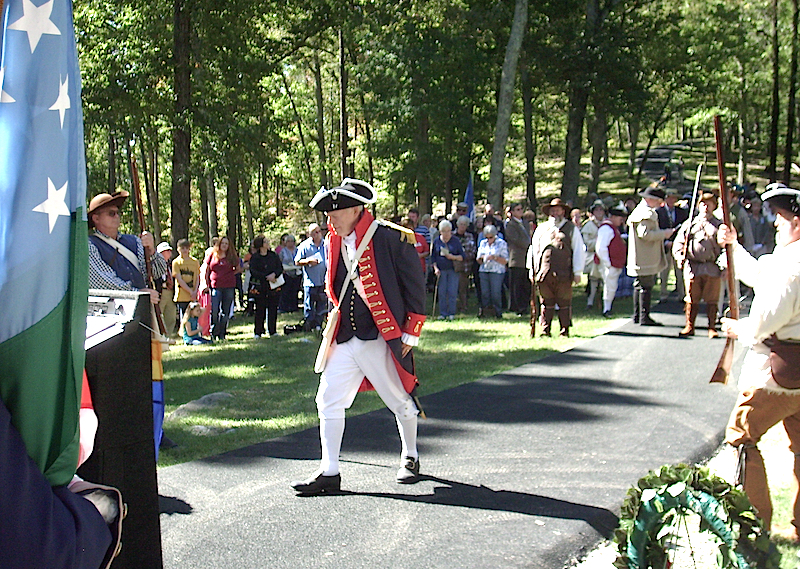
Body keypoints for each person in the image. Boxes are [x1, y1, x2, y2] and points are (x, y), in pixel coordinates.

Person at [291, 178, 426, 495]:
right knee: (327, 400)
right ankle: (329, 470)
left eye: (334, 214)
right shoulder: (332, 240)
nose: (329, 221)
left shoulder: (392, 238)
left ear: (355, 210)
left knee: (399, 401)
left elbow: (414, 286)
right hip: (346, 335)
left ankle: (410, 456)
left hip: (381, 335)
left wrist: (412, 332)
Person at [719, 184, 800, 541]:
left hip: (777, 371)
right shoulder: (787, 261)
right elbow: (763, 279)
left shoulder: (792, 264)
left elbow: (767, 317)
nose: (776, 225)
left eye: (781, 219)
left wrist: (740, 328)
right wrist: (733, 246)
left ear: (796, 222)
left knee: (741, 438)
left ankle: (754, 529)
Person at [87, 191, 172, 456]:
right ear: (96, 218)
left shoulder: (133, 242)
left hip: (143, 320)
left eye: (119, 212)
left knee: (148, 375)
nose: (117, 217)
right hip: (111, 324)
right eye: (111, 213)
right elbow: (100, 281)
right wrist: (139, 295)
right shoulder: (89, 246)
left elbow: (158, 272)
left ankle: (154, 428)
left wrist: (151, 248)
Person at [528, 197, 586, 337]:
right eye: (552, 211)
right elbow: (534, 249)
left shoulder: (571, 229)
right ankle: (545, 330)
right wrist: (531, 269)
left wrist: (577, 271)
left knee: (564, 302)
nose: (555, 213)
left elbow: (579, 250)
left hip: (564, 273)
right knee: (546, 302)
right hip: (544, 273)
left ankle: (564, 330)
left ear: (563, 211)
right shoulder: (542, 228)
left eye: (558, 210)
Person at [672, 191, 724, 338]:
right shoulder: (690, 224)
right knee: (691, 298)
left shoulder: (719, 225)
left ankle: (712, 327)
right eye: (703, 203)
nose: (706, 206)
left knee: (712, 299)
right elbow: (679, 243)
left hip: (712, 266)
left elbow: (727, 248)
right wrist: (679, 257)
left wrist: (725, 267)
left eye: (709, 203)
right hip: (693, 266)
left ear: (714, 206)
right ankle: (689, 326)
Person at [626, 185, 675, 326]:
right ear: (650, 199)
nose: (660, 203)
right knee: (645, 286)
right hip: (645, 256)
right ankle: (644, 316)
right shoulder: (645, 213)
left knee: (639, 285)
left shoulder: (639, 211)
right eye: (657, 200)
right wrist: (663, 234)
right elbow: (645, 234)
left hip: (642, 255)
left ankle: (638, 315)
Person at [204, 236, 241, 341]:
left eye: (226, 244)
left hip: (229, 286)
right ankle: (213, 332)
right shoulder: (212, 255)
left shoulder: (232, 256)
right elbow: (207, 270)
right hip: (215, 286)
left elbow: (238, 269)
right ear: (219, 244)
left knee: (226, 311)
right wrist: (207, 284)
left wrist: (229, 274)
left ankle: (222, 332)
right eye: (223, 243)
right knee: (214, 310)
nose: (224, 245)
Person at [595, 203, 628, 317]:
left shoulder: (613, 228)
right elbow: (601, 248)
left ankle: (608, 307)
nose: (621, 221)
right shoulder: (606, 228)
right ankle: (606, 309)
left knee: (612, 286)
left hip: (614, 263)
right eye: (620, 218)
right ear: (613, 217)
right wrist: (607, 263)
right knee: (609, 286)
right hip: (609, 264)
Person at [656, 189, 689, 301]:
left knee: (679, 270)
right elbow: (657, 229)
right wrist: (665, 241)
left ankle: (682, 294)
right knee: (664, 271)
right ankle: (663, 294)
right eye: (669, 197)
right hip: (664, 245)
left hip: (678, 245)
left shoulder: (681, 212)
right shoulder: (658, 212)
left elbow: (684, 228)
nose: (671, 200)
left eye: (673, 198)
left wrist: (677, 243)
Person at [295, 223, 328, 331]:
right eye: (315, 232)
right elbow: (297, 261)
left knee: (322, 304)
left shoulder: (326, 244)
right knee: (309, 305)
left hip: (323, 280)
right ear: (310, 234)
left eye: (319, 231)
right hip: (310, 282)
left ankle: (318, 325)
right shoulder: (304, 246)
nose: (318, 234)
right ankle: (309, 325)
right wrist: (308, 261)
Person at [249, 235, 283, 338]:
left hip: (273, 285)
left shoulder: (273, 255)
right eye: (265, 241)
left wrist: (274, 275)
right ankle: (258, 331)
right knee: (260, 309)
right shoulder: (255, 257)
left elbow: (279, 267)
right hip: (260, 286)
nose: (267, 243)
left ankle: (272, 330)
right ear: (260, 244)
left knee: (273, 308)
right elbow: (253, 271)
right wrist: (265, 277)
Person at [431, 220, 464, 320]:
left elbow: (462, 256)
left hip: (453, 270)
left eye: (448, 231)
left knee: (452, 291)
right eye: (444, 231)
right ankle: (443, 313)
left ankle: (451, 313)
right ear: (440, 231)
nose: (446, 233)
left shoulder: (455, 241)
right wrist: (435, 269)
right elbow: (433, 257)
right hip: (441, 270)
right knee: (442, 292)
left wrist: (452, 257)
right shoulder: (437, 241)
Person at [504, 202, 532, 316]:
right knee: (516, 285)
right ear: (512, 212)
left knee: (526, 284)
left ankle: (524, 305)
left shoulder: (525, 223)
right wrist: (530, 244)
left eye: (521, 209)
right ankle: (516, 307)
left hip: (527, 258)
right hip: (516, 258)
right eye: (518, 209)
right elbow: (515, 239)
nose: (520, 211)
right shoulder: (510, 225)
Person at [476, 224, 508, 318]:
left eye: (491, 237)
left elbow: (505, 260)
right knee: (485, 292)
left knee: (496, 293)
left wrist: (494, 257)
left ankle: (498, 312)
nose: (489, 239)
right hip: (484, 270)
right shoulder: (483, 243)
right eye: (487, 237)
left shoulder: (501, 243)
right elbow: (478, 258)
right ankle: (485, 311)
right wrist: (482, 258)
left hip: (497, 271)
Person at [581, 201, 606, 310]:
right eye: (597, 210)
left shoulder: (607, 224)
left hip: (606, 255)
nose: (599, 212)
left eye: (601, 210)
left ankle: (606, 302)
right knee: (594, 280)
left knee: (606, 280)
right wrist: (597, 242)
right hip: (593, 255)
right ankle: (590, 301)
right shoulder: (588, 225)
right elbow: (586, 242)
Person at [172, 238, 200, 322]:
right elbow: (179, 279)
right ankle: (185, 334)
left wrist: (195, 291)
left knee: (193, 317)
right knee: (184, 318)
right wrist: (190, 292)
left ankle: (193, 333)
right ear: (178, 249)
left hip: (193, 296)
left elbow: (197, 277)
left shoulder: (195, 262)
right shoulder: (176, 262)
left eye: (186, 248)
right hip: (181, 296)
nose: (185, 250)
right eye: (182, 248)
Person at [453, 215, 477, 313]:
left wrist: (462, 256)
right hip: (452, 266)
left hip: (465, 267)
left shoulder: (470, 236)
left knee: (463, 288)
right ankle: (452, 307)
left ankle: (463, 307)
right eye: (461, 224)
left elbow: (473, 251)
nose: (462, 226)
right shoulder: (452, 235)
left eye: (464, 225)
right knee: (452, 288)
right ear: (457, 225)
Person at [156, 242, 178, 334]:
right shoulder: (155, 265)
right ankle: (159, 335)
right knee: (159, 315)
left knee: (171, 315)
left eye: (169, 250)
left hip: (170, 292)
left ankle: (168, 335)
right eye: (166, 251)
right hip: (160, 292)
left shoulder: (171, 264)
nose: (169, 252)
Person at [278, 234, 302, 313]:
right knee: (286, 291)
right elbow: (279, 262)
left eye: (292, 241)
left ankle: (294, 307)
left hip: (297, 273)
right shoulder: (283, 251)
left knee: (294, 291)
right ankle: (284, 308)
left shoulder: (298, 250)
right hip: (286, 273)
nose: (290, 243)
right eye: (288, 241)